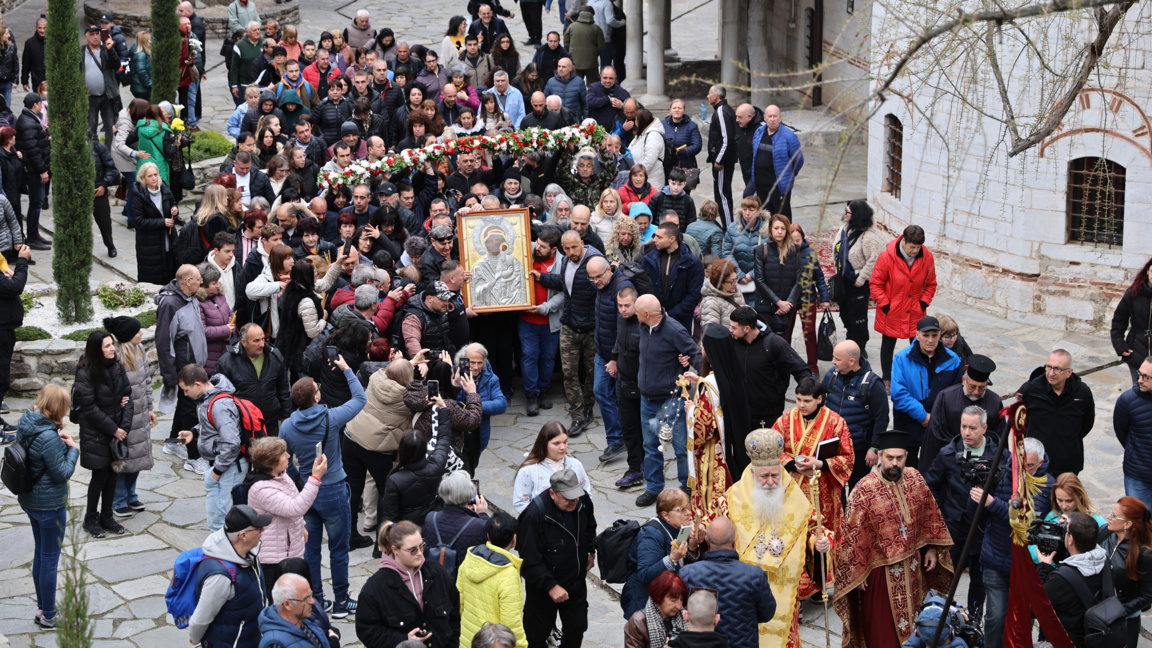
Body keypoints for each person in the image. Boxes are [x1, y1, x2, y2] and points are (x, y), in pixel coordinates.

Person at [832, 430, 954, 648]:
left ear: (907, 455)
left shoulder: (915, 478)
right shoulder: (864, 489)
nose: (894, 463)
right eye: (890, 458)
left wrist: (933, 549)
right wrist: (857, 572)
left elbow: (930, 515)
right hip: (880, 575)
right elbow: (852, 535)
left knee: (917, 624)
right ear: (880, 456)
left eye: (899, 458)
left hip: (914, 568)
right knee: (882, 633)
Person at [279, 356, 369, 617]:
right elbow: (360, 399)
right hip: (333, 489)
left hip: (307, 491)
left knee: (311, 549)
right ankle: (341, 601)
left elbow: (286, 461)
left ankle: (315, 601)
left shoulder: (287, 427)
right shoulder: (331, 417)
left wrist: (300, 479)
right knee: (339, 549)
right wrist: (347, 369)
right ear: (316, 398)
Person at [703, 308, 809, 479]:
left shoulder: (774, 344)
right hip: (739, 416)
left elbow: (801, 370)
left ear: (747, 328)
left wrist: (805, 398)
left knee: (769, 462)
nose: (730, 330)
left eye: (733, 327)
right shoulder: (732, 343)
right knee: (743, 462)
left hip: (767, 415)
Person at [772, 376, 852, 598]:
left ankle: (819, 584)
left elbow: (848, 457)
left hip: (822, 494)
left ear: (819, 399)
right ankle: (794, 586)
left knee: (819, 538)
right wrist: (793, 465)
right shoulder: (786, 420)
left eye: (806, 400)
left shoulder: (836, 422)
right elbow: (773, 450)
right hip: (790, 492)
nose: (801, 405)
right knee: (792, 538)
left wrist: (820, 464)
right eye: (798, 399)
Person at [923, 404, 997, 622]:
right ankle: (940, 622)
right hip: (955, 528)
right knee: (946, 579)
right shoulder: (948, 453)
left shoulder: (999, 455)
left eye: (972, 428)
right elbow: (930, 484)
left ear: (984, 428)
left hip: (984, 531)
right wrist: (943, 513)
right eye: (964, 426)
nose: (966, 432)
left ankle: (974, 621)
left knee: (979, 581)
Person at [979, 437, 1054, 648]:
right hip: (996, 557)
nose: (1023, 469)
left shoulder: (1047, 486)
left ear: (1040, 463)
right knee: (995, 618)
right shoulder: (1001, 474)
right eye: (1019, 463)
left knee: (1021, 621)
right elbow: (976, 513)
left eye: (1029, 465)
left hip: (1025, 566)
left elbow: (1026, 522)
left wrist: (994, 504)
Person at [17, 384, 79, 630]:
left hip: (31, 501)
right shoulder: (48, 437)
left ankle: (42, 608)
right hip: (49, 505)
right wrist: (73, 449)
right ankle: (48, 614)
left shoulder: (26, 421)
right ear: (58, 408)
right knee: (50, 559)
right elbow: (62, 473)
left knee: (41, 555)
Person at [532, 231, 602, 436]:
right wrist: (542, 277)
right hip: (569, 326)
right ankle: (577, 415)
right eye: (567, 248)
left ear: (582, 243)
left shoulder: (595, 262)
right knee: (569, 373)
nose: (571, 252)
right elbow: (564, 282)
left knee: (591, 373)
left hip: (591, 329)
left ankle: (588, 407)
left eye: (574, 247)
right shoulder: (565, 262)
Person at [517, 469, 597, 648]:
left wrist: (591, 551)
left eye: (576, 496)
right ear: (552, 493)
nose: (574, 502)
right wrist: (551, 586)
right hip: (543, 591)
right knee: (535, 636)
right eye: (568, 498)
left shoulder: (582, 501)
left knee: (576, 629)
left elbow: (590, 527)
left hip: (575, 583)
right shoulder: (534, 515)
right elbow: (529, 562)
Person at [634, 293, 701, 507]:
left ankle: (686, 488)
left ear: (646, 314)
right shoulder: (643, 327)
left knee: (681, 446)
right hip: (648, 399)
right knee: (651, 445)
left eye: (637, 312)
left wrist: (706, 380)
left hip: (671, 399)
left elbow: (695, 354)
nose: (634, 315)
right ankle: (654, 488)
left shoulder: (674, 330)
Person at [357, 520, 461, 648]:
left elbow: (454, 618)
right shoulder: (375, 589)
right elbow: (367, 631)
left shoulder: (439, 574)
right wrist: (403, 640)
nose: (419, 553)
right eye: (412, 550)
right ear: (395, 550)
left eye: (421, 546)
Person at [246, 437, 325, 600]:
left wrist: (300, 526)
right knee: (279, 603)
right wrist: (315, 478)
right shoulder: (262, 488)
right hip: (272, 559)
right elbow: (295, 507)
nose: (288, 455)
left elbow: (290, 503)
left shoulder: (280, 474)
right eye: (283, 454)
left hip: (286, 551)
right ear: (271, 463)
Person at [678, 516, 775, 648]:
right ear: (734, 542)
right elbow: (767, 614)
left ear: (707, 540)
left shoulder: (688, 573)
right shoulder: (755, 575)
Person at [74, 331, 134, 538]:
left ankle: (107, 517)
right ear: (96, 350)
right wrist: (114, 430)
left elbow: (128, 396)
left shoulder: (117, 365)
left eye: (112, 344)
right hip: (97, 432)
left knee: (113, 474)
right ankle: (91, 518)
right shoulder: (85, 372)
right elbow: (89, 409)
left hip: (117, 429)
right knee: (100, 475)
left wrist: (123, 428)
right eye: (107, 346)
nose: (112, 349)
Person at [186, 505, 270, 648]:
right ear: (243, 536)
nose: (263, 530)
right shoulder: (220, 577)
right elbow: (200, 619)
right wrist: (195, 640)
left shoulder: (248, 554)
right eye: (258, 528)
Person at [890, 316, 963, 469]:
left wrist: (936, 417)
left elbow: (955, 394)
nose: (930, 340)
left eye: (934, 335)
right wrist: (923, 416)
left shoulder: (953, 359)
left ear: (939, 336)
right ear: (917, 336)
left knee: (934, 468)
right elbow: (898, 393)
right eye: (925, 335)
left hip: (938, 424)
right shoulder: (902, 357)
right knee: (907, 469)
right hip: (908, 422)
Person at [101, 317, 155, 519]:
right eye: (137, 331)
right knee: (123, 457)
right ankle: (118, 500)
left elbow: (147, 380)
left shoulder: (139, 349)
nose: (141, 334)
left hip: (139, 413)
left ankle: (131, 495)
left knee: (138, 456)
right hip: (122, 417)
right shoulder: (114, 357)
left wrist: (149, 407)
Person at [620, 488, 702, 618]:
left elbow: (683, 564)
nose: (688, 513)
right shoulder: (650, 536)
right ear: (665, 515)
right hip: (644, 604)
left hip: (667, 600)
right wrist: (672, 559)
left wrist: (692, 547)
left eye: (688, 507)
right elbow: (645, 574)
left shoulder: (681, 528)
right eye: (681, 510)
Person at [870, 224, 936, 383]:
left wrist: (923, 303)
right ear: (903, 241)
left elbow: (931, 284)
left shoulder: (927, 257)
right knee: (888, 345)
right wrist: (886, 304)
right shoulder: (886, 256)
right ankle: (887, 379)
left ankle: (918, 377)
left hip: (915, 310)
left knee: (918, 346)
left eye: (918, 247)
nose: (915, 251)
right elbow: (875, 284)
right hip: (892, 310)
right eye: (912, 247)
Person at [1016, 349, 1095, 476]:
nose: (1051, 373)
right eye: (1048, 367)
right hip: (1037, 465)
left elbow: (1087, 422)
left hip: (1068, 464)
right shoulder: (1031, 389)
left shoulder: (1082, 392)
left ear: (1069, 372)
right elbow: (1017, 421)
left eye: (1058, 369)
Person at [1035, 512, 1109, 648]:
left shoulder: (1060, 580)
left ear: (1071, 540)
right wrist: (1074, 525)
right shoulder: (1104, 561)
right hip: (1092, 639)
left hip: (1066, 641)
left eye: (1066, 532)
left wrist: (1044, 568)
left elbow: (1035, 607)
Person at [821, 340, 888, 489]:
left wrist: (874, 448)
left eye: (837, 359)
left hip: (858, 450)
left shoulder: (872, 384)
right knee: (833, 491)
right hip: (832, 448)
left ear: (852, 361)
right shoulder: (832, 375)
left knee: (856, 492)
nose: (833, 362)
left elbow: (882, 418)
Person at [920, 354, 1001, 473]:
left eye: (982, 388)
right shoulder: (946, 397)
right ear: (964, 380)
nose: (976, 392)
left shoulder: (995, 402)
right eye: (972, 386)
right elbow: (936, 434)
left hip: (983, 465)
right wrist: (960, 451)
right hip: (949, 464)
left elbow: (999, 438)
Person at [457, 512, 526, 648]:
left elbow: (459, 603)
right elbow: (511, 623)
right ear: (514, 539)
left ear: (488, 536)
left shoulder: (470, 559)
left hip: (468, 639)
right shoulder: (507, 572)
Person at [214, 324, 292, 437]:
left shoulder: (274, 356)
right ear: (244, 342)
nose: (262, 344)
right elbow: (220, 399)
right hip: (242, 427)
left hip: (270, 424)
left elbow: (283, 389)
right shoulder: (226, 363)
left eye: (263, 339)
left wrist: (286, 416)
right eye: (256, 341)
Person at [519, 226, 565, 416]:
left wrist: (544, 308)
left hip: (550, 321)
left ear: (554, 249)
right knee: (529, 356)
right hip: (526, 320)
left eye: (543, 246)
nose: (537, 248)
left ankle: (544, 391)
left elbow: (564, 293)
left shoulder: (562, 263)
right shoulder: (526, 250)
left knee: (547, 358)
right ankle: (531, 395)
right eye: (537, 243)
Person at [833, 200, 886, 354]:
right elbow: (838, 248)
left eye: (848, 212)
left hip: (857, 283)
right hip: (844, 279)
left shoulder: (869, 237)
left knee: (857, 316)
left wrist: (861, 278)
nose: (844, 214)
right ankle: (851, 339)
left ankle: (860, 346)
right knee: (844, 312)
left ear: (856, 215)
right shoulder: (846, 228)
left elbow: (875, 259)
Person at [1098, 496, 1152, 648]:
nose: (1108, 516)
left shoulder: (1145, 553)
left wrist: (1118, 611)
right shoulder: (1106, 532)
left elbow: (1147, 595)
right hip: (1098, 610)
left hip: (1125, 619)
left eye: (1114, 515)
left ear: (1127, 524)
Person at [1029, 472, 1107, 563]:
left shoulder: (1096, 520)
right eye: (1060, 500)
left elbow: (1104, 551)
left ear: (1079, 496)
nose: (1064, 505)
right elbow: (1033, 549)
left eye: (1069, 501)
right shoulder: (1052, 517)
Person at [642, 222, 704, 332]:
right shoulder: (649, 259)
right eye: (655, 236)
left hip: (680, 324)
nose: (654, 240)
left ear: (672, 239)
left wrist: (670, 314)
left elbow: (694, 296)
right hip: (652, 320)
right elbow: (644, 287)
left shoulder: (692, 263)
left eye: (659, 237)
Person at [423, 470, 490, 571]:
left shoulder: (430, 518)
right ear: (468, 496)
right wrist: (483, 515)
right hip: (463, 578)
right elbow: (491, 542)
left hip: (436, 576)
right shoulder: (479, 524)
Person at [455, 343, 508, 471]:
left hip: (477, 435)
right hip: (455, 434)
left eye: (480, 363)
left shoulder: (490, 379)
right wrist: (455, 385)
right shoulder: (453, 374)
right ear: (462, 361)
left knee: (471, 469)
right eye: (472, 362)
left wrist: (475, 405)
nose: (476, 367)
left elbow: (501, 403)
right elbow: (445, 402)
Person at [745, 105, 803, 218]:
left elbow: (798, 161)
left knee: (781, 219)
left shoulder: (789, 137)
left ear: (780, 117)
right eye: (770, 116)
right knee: (765, 218)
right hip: (761, 186)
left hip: (779, 188)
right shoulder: (759, 132)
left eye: (775, 116)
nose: (772, 119)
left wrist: (788, 176)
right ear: (764, 117)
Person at [752, 213, 800, 336]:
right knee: (767, 341)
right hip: (766, 306)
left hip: (787, 305)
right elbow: (760, 280)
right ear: (770, 230)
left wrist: (787, 303)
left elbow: (799, 278)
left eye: (783, 228)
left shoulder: (794, 250)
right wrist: (778, 302)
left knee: (784, 341)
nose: (779, 232)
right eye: (776, 228)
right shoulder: (761, 251)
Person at [133, 161, 180, 285]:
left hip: (169, 239)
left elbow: (172, 201)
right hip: (150, 245)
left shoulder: (163, 186)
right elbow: (138, 221)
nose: (154, 178)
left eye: (155, 174)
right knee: (153, 278)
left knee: (171, 273)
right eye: (150, 176)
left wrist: (174, 209)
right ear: (143, 178)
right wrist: (162, 222)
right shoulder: (138, 195)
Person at [0, 243, 29, 436]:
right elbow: (16, 287)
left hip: (5, 329)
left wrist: (5, 276)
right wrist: (22, 262)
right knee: (0, 380)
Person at [1115, 357, 1152, 509]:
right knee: (1139, 525)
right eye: (1139, 374)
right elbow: (1121, 432)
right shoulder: (1127, 400)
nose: (1140, 380)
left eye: (1146, 377)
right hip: (1138, 476)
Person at [258, 573, 332, 648]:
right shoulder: (275, 644)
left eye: (311, 596)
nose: (312, 601)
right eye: (306, 598)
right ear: (287, 604)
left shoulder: (302, 619)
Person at [16, 93, 51, 251]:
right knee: (36, 203)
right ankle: (32, 235)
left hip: (35, 168)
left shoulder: (28, 119)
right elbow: (33, 151)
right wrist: (42, 170)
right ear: (35, 105)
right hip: (34, 170)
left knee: (36, 202)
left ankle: (34, 233)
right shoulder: (29, 122)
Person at [1111, 257, 1152, 387]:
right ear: (1147, 272)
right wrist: (1119, 345)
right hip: (1137, 349)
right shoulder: (1134, 293)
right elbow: (1119, 320)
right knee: (1140, 389)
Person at [624, 571, 689, 648]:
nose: (679, 606)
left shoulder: (684, 616)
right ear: (659, 597)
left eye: (681, 600)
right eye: (673, 600)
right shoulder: (638, 622)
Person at [721, 198, 766, 308]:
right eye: (744, 209)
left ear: (759, 211)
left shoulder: (767, 229)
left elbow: (769, 257)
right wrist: (739, 274)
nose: (747, 213)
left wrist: (751, 275)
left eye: (751, 210)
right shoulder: (733, 228)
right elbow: (727, 252)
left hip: (759, 282)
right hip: (736, 281)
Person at [705, 85, 737, 226]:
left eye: (709, 93)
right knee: (722, 194)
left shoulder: (721, 112)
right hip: (722, 160)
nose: (707, 96)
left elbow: (727, 139)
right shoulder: (723, 110)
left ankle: (729, 228)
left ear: (715, 96)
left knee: (723, 195)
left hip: (722, 163)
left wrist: (719, 160)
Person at [563, 8, 603, 80]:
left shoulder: (571, 27)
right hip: (591, 63)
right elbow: (601, 47)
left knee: (575, 85)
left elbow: (566, 44)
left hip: (575, 62)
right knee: (592, 86)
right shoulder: (596, 28)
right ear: (592, 15)